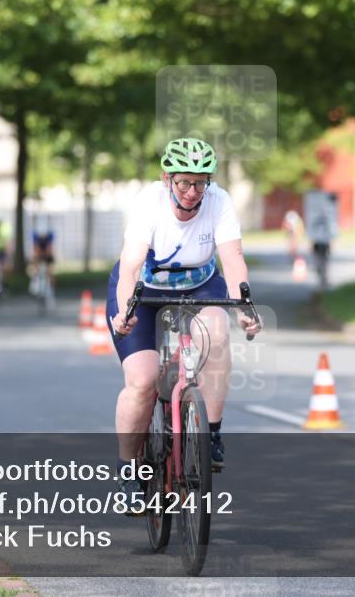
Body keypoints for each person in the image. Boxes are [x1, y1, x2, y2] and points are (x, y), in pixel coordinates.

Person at [107, 138, 261, 501]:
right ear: (167, 178)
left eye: (200, 182)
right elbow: (129, 267)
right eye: (184, 182)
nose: (192, 191)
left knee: (217, 334)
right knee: (143, 381)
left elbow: (234, 261)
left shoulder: (219, 201)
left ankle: (212, 434)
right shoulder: (149, 203)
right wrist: (125, 311)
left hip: (200, 284)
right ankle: (129, 471)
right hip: (143, 291)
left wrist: (244, 308)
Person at [29, 215, 55, 295]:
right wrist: (37, 257)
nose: (42, 237)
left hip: (46, 250)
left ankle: (51, 285)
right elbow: (35, 248)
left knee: (50, 269)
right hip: (38, 250)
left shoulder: (50, 235)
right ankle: (34, 278)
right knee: (34, 261)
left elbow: (50, 249)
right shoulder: (35, 235)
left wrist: (48, 258)